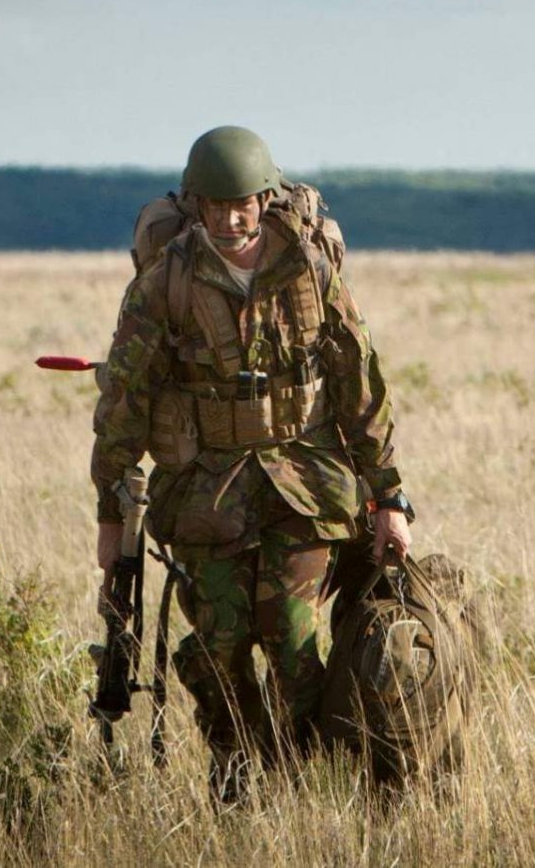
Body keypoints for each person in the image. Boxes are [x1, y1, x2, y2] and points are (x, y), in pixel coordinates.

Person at [89, 125, 413, 795]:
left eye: (242, 202)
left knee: (291, 636)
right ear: (195, 203)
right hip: (207, 488)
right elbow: (123, 401)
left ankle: (307, 775)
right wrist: (110, 514)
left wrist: (390, 498)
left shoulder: (309, 270)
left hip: (307, 481)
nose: (230, 218)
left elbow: (361, 385)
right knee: (218, 647)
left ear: (265, 199)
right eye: (214, 203)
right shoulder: (165, 282)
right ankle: (238, 770)